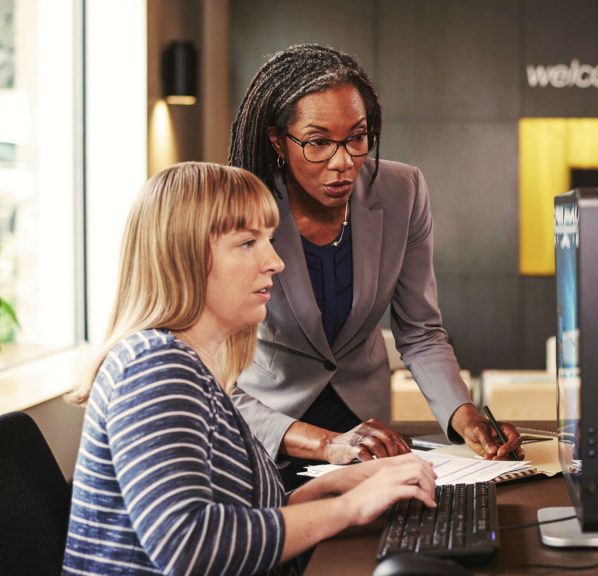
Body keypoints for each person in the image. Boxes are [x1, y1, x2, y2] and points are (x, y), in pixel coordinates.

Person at [63, 162, 437, 575]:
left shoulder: (192, 365)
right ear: (183, 255)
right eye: (247, 243)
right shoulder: (156, 369)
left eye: (270, 239)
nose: (276, 261)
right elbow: (190, 545)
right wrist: (350, 508)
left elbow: (231, 512)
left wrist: (320, 492)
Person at [228, 44, 521, 487]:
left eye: (357, 137)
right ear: (277, 141)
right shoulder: (240, 207)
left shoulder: (402, 191)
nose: (343, 161)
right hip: (269, 427)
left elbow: (420, 333)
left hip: (366, 429)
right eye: (318, 142)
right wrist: (321, 442)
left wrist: (464, 417)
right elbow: (215, 370)